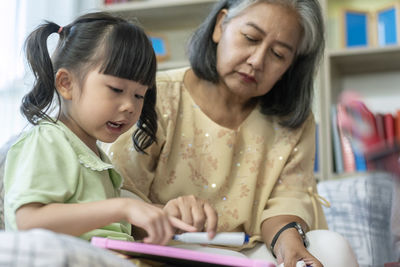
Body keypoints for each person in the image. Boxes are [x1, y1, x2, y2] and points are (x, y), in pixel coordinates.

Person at [105, 0, 360, 266]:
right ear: (220, 26)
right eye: (250, 38)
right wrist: (165, 215)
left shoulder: (293, 121)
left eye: (278, 54)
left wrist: (288, 240)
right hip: (171, 246)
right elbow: (120, 192)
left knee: (332, 247)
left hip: (255, 248)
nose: (256, 61)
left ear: (292, 65)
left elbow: (289, 199)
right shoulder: (154, 96)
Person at [3, 12, 196, 245]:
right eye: (116, 89)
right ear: (66, 84)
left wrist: (162, 219)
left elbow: (106, 229)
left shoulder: (93, 156)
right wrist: (122, 207)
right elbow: (27, 221)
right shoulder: (48, 141)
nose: (130, 107)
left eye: (139, 95)